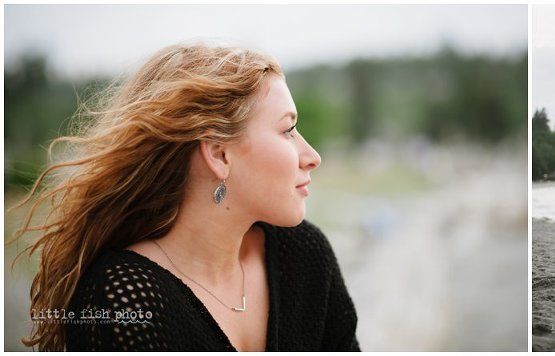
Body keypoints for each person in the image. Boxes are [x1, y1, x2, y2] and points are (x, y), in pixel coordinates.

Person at [12, 43, 359, 351]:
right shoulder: (125, 299)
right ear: (219, 154)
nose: (312, 155)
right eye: (287, 130)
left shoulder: (304, 254)